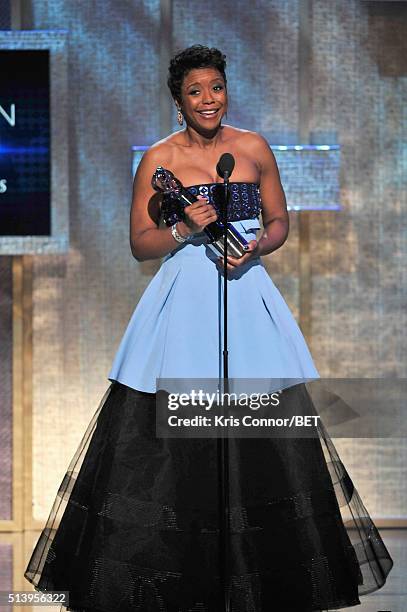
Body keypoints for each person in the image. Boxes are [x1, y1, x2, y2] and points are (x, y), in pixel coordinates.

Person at [24, 45, 393, 612]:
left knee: (260, 430)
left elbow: (279, 223)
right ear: (178, 101)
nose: (208, 100)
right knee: (172, 435)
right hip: (183, 304)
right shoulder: (159, 160)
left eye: (216, 88)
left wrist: (254, 249)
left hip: (246, 297)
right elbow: (139, 245)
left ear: (226, 90)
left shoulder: (251, 149)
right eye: (195, 91)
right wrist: (183, 230)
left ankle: (259, 574)